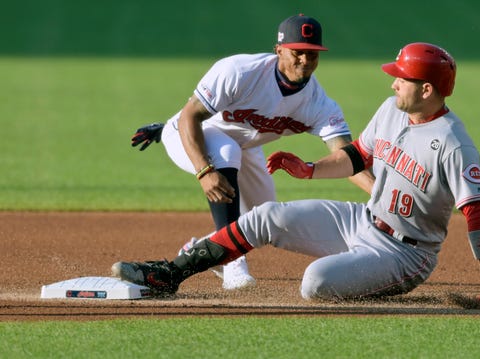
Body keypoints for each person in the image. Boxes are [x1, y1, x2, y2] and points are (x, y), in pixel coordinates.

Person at [113, 42, 480, 308]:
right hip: (363, 220)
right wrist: (309, 169)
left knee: (315, 283)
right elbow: (356, 156)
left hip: (407, 251)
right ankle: (169, 275)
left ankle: (369, 275)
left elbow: (478, 215)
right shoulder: (391, 109)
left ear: (426, 89)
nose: (392, 82)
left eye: (401, 77)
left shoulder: (454, 144)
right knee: (265, 217)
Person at [129, 14, 374, 290]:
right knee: (226, 150)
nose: (305, 61)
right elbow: (191, 116)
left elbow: (348, 159)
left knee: (261, 216)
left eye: (312, 54)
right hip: (189, 137)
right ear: (279, 49)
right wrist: (204, 170)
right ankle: (232, 262)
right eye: (298, 52)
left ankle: (198, 249)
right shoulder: (240, 71)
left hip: (243, 148)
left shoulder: (320, 104)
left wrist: (380, 193)